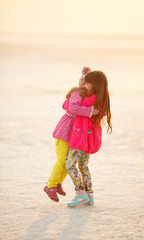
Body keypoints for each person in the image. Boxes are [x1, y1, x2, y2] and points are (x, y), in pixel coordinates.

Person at [43, 66, 99, 202]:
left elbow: (69, 105)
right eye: (84, 84)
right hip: (63, 134)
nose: (85, 87)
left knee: (67, 161)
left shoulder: (86, 95)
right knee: (63, 161)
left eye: (87, 85)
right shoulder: (77, 93)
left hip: (72, 136)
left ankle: (57, 184)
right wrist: (90, 111)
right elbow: (72, 107)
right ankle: (50, 186)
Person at [65, 70, 112, 207]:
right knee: (83, 165)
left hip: (80, 137)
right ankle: (90, 194)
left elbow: (72, 108)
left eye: (87, 83)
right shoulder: (101, 99)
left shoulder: (88, 100)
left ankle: (80, 194)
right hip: (90, 137)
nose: (84, 85)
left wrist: (70, 97)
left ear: (94, 84)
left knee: (69, 164)